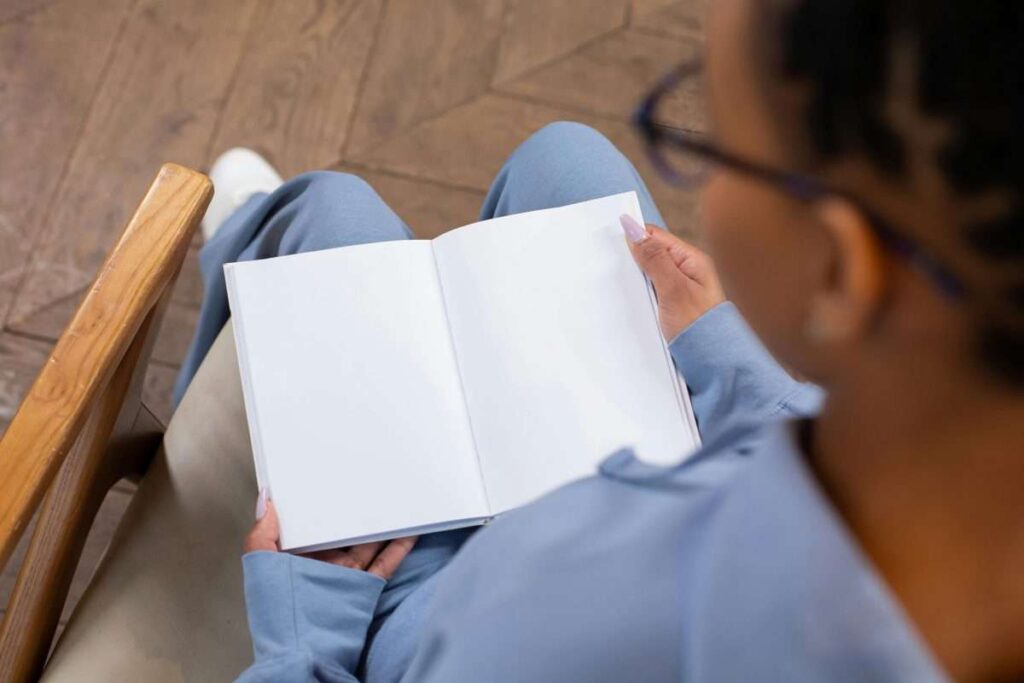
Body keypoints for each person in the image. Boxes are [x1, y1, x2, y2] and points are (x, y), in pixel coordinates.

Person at [176, 0, 1024, 680]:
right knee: (569, 162)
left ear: (840, 273)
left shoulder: (576, 623)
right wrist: (727, 355)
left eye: (720, 143)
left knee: (334, 215)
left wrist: (302, 640)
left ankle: (241, 255)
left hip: (425, 610)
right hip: (632, 489)